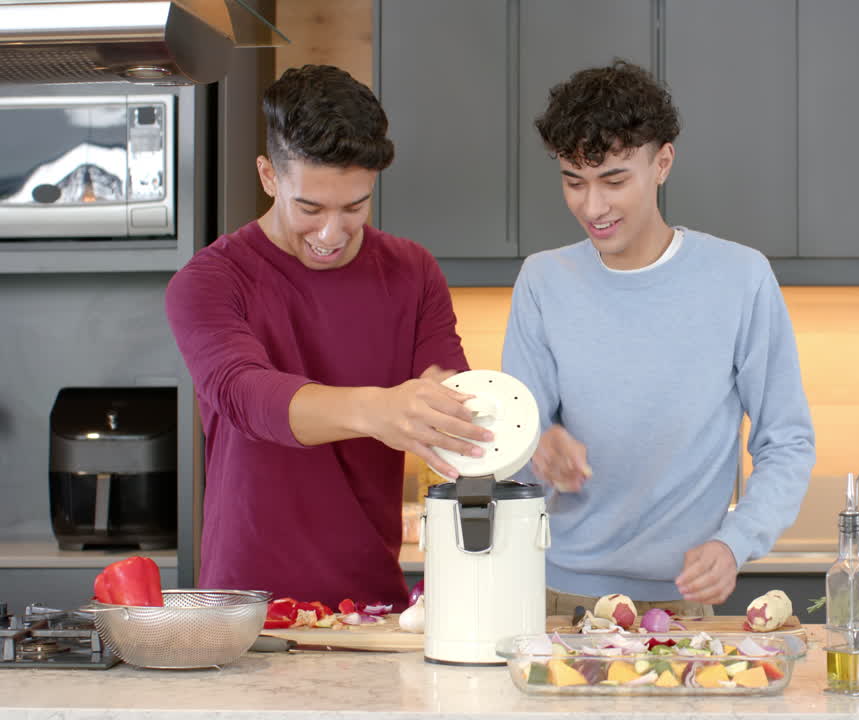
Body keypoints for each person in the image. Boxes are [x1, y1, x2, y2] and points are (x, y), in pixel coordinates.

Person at [165, 65, 490, 611]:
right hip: (246, 609)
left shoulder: (411, 271)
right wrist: (380, 409)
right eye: (310, 208)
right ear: (269, 176)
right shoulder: (209, 281)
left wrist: (458, 411)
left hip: (371, 606)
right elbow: (246, 396)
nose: (330, 233)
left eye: (354, 207)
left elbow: (448, 390)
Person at [502, 60, 816, 617]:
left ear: (662, 162)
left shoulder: (740, 278)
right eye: (574, 182)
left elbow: (786, 441)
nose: (592, 207)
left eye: (614, 180)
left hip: (683, 603)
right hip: (556, 597)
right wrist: (538, 445)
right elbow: (518, 437)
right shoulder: (543, 281)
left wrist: (735, 540)